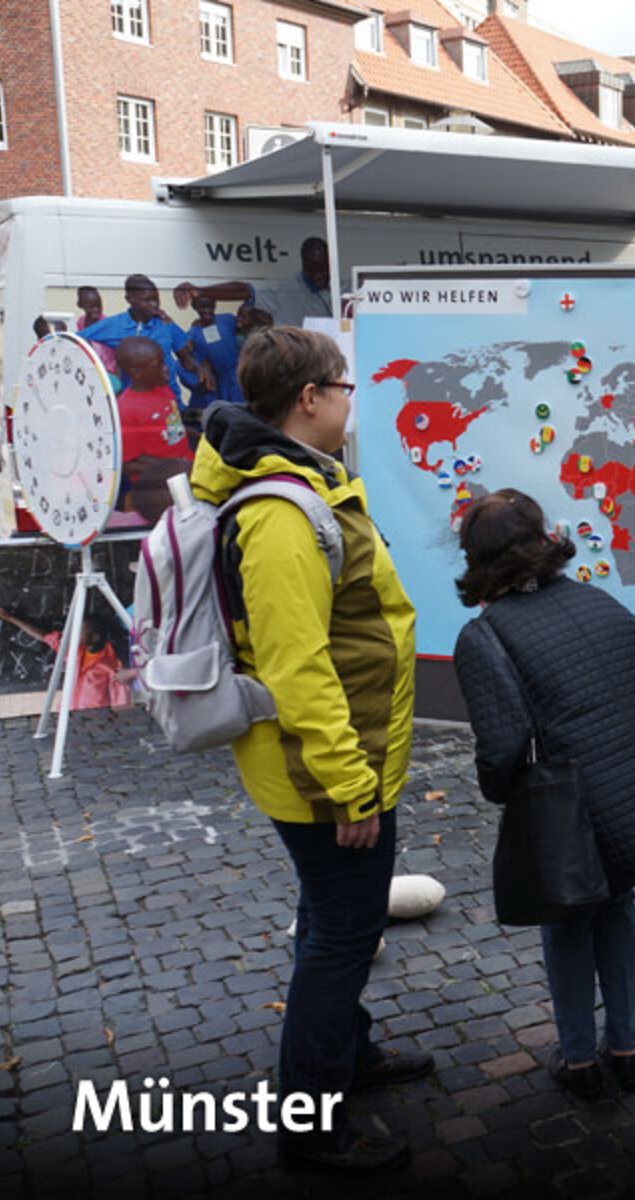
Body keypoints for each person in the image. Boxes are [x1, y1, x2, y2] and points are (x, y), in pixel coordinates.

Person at [190, 327, 427, 1174]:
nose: (350, 399)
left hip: (352, 757)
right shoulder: (282, 515)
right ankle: (311, 1123)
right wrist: (349, 790)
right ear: (309, 399)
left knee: (343, 924)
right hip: (328, 772)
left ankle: (346, 1057)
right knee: (338, 936)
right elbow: (297, 667)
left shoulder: (301, 485)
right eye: (345, 386)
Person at [451, 489, 635, 1104]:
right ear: (545, 542)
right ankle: (627, 1047)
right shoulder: (603, 601)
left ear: (478, 561)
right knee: (616, 905)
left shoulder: (485, 637)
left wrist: (496, 791)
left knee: (568, 922)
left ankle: (580, 1059)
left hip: (572, 813)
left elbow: (501, 747)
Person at [78, 274, 213, 404]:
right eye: (147, 300)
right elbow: (74, 341)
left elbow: (185, 358)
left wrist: (199, 369)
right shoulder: (114, 325)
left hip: (171, 403)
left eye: (156, 299)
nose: (154, 305)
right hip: (136, 406)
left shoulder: (165, 323)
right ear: (129, 299)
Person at [112, 337, 193, 510]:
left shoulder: (163, 389)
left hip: (186, 469)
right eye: (158, 365)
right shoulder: (126, 409)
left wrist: (199, 436)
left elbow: (172, 425)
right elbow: (127, 463)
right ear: (136, 372)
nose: (166, 368)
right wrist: (176, 469)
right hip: (160, 486)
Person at [0, 608, 132, 710]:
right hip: (67, 715)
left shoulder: (112, 662)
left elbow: (120, 701)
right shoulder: (72, 650)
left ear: (94, 638)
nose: (72, 633)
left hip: (95, 721)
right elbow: (43, 636)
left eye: (79, 631)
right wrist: (10, 618)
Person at [183, 294, 246, 412]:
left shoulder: (227, 319)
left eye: (210, 306)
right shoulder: (193, 334)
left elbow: (244, 327)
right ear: (195, 308)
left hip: (238, 377)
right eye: (202, 307)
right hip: (218, 382)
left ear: (215, 305)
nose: (207, 310)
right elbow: (195, 361)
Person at [75, 287, 119, 375]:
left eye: (98, 306)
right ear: (80, 305)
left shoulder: (107, 324)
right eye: (91, 307)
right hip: (90, 369)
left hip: (108, 372)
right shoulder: (81, 322)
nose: (96, 310)